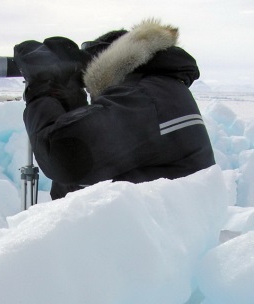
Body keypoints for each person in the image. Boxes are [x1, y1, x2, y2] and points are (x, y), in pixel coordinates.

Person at [13, 19, 216, 200]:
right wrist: (69, 98)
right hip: (155, 233)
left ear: (107, 62)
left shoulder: (144, 98)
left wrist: (42, 87)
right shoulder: (158, 91)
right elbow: (88, 165)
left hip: (146, 237)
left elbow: (63, 154)